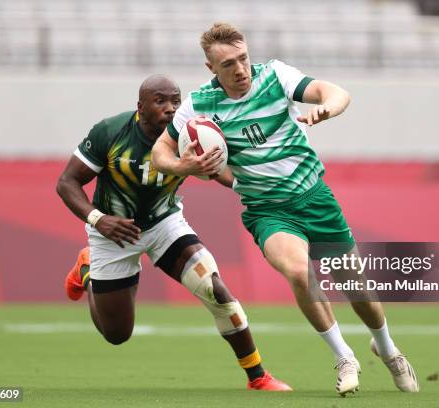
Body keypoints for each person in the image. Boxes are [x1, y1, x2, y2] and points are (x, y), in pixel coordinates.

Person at [151, 23, 419, 396]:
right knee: (297, 270)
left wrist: (328, 108)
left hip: (315, 198)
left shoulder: (275, 76)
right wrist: (185, 167)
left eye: (243, 58)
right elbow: (160, 153)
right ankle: (344, 357)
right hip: (267, 210)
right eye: (228, 64)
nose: (240, 69)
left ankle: (388, 350)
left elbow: (335, 91)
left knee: (358, 292)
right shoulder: (200, 105)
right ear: (212, 68)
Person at [56, 74, 291, 391]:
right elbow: (67, 182)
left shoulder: (188, 131)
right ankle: (87, 270)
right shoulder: (110, 132)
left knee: (215, 288)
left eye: (175, 101)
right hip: (113, 231)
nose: (170, 108)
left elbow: (218, 169)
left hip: (164, 223)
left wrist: (253, 186)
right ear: (140, 107)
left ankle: (258, 376)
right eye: (160, 101)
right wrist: (98, 220)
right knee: (117, 334)